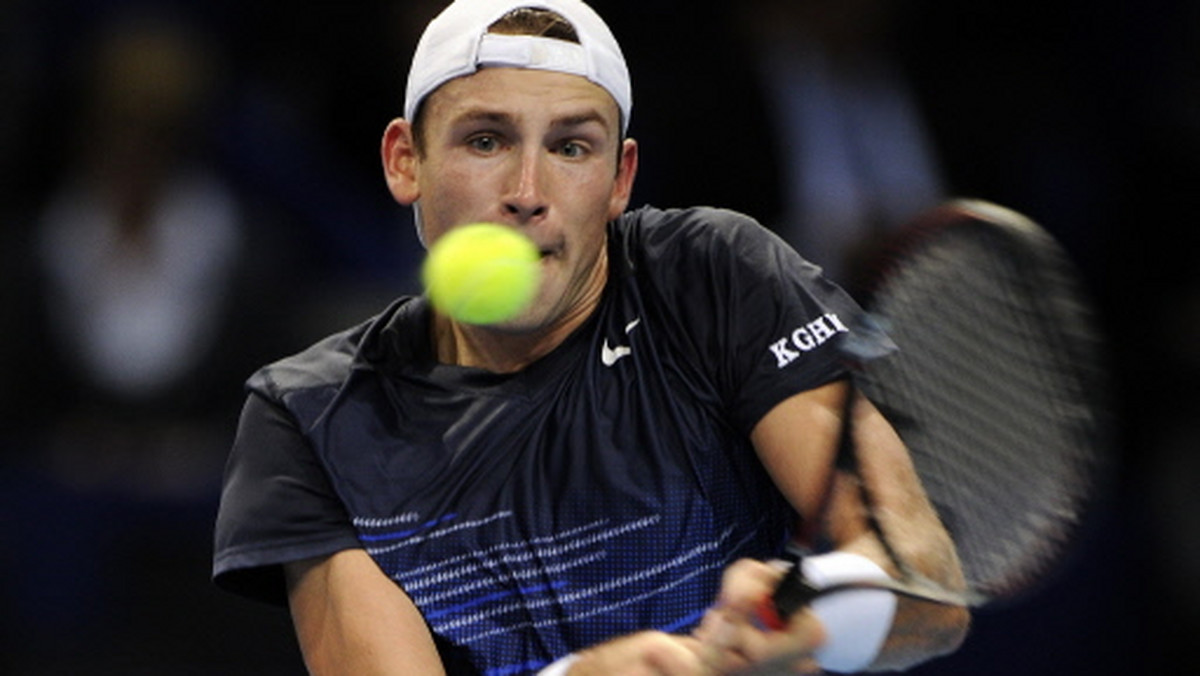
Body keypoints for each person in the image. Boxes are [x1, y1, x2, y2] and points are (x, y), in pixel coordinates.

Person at [212, 1, 969, 674]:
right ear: (405, 160)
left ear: (619, 179)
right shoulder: (312, 417)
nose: (528, 193)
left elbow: (926, 587)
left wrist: (801, 613)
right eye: (485, 141)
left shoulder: (714, 278)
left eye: (571, 147)